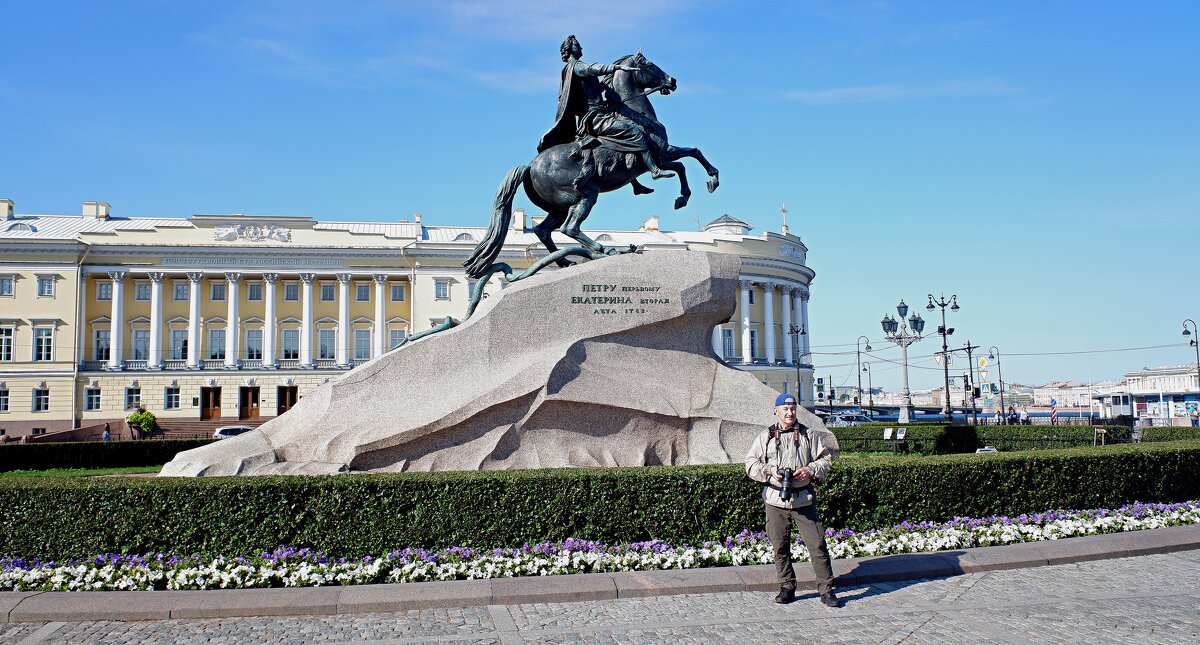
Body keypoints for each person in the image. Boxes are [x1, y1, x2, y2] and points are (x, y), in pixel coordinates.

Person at [745, 392, 840, 607]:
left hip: (803, 500)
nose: (790, 412)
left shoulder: (809, 435)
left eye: (793, 409)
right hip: (775, 500)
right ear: (776, 411)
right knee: (780, 546)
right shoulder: (766, 436)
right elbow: (750, 463)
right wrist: (770, 472)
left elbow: (825, 460)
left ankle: (826, 590)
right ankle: (787, 586)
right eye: (785, 409)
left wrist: (810, 470)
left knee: (817, 545)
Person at [538, 35, 673, 180]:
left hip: (597, 115)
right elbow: (592, 69)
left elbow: (594, 89)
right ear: (569, 50)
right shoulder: (576, 66)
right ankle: (654, 170)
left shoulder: (575, 71)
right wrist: (615, 67)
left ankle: (634, 180)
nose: (581, 47)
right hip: (595, 118)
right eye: (577, 44)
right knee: (635, 132)